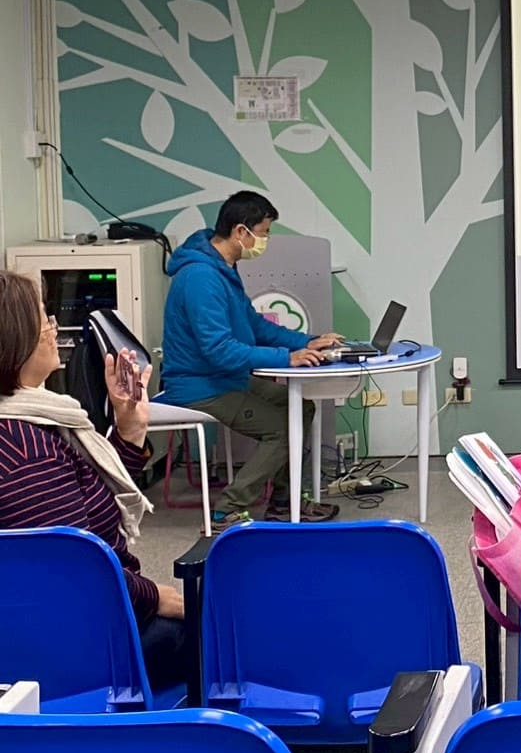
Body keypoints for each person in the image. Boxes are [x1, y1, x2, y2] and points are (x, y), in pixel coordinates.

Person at [0, 270, 189, 692]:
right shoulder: (27, 451)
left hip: (49, 630)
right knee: (229, 630)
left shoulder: (30, 423)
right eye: (44, 319)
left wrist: (129, 429)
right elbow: (78, 572)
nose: (54, 328)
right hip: (72, 649)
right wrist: (159, 597)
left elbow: (83, 503)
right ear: (15, 339)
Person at [158, 190, 342, 527]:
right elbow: (219, 349)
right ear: (241, 231)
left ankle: (285, 500)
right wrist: (286, 358)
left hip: (223, 379)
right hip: (200, 386)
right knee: (283, 429)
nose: (265, 241)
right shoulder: (201, 278)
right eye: (264, 232)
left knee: (301, 408)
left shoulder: (222, 268)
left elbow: (254, 325)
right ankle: (227, 509)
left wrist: (308, 341)